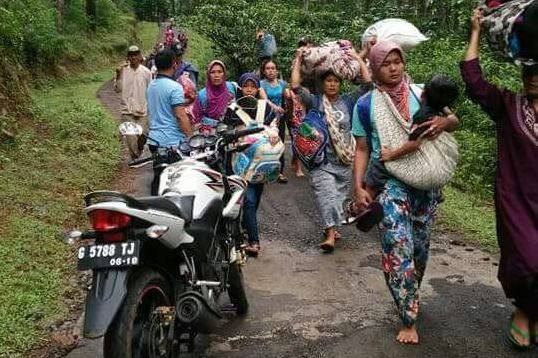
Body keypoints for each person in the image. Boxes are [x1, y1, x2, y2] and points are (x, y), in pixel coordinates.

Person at [352, 40, 459, 345]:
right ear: (373, 67)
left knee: (419, 252)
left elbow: (453, 120)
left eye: (397, 61)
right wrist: (359, 187)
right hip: (390, 184)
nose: (394, 67)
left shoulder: (420, 93)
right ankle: (408, 317)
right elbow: (362, 148)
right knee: (398, 250)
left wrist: (443, 121)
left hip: (424, 187)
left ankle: (410, 294)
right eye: (386, 62)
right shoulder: (366, 104)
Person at [460, 9, 538, 349]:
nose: (533, 77)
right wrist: (476, 31)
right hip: (516, 200)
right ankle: (524, 310)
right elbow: (474, 81)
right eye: (528, 71)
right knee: (527, 261)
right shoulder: (508, 105)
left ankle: (531, 314)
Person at [291, 44, 371, 253]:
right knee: (325, 195)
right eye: (329, 81)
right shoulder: (316, 102)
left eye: (336, 81)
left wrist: (358, 57)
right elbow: (296, 87)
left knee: (337, 200)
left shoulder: (348, 101)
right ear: (323, 83)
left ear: (340, 84)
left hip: (344, 161)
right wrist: (299, 59)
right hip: (321, 162)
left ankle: (333, 227)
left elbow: (367, 84)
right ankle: (330, 234)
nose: (332, 84)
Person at [233, 73, 279, 257]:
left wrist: (273, 131)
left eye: (253, 86)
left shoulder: (264, 108)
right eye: (246, 86)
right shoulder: (234, 109)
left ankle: (245, 226)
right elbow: (226, 128)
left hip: (261, 162)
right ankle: (253, 240)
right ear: (241, 89)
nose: (250, 89)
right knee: (250, 200)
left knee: (256, 198)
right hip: (240, 161)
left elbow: (273, 124)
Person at [146, 49, 193, 195]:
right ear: (174, 64)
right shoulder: (175, 87)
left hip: (154, 140)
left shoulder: (152, 86)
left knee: (158, 176)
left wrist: (186, 101)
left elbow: (164, 105)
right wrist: (191, 138)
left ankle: (153, 208)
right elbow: (180, 116)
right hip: (171, 142)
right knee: (173, 181)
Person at [114, 45, 152, 160]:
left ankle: (139, 151)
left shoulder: (147, 72)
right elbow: (117, 89)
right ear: (128, 57)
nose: (134, 57)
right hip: (128, 112)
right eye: (131, 55)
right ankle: (135, 159)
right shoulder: (122, 71)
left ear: (140, 56)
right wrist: (118, 74)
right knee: (131, 139)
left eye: (136, 54)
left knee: (142, 137)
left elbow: (150, 91)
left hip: (142, 111)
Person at [259, 59, 290, 183]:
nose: (271, 71)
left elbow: (287, 97)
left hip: (279, 119)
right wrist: (275, 107)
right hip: (266, 118)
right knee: (266, 144)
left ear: (277, 70)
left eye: (273, 68)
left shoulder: (282, 84)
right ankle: (264, 171)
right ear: (264, 71)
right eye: (268, 68)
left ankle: (279, 172)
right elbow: (265, 99)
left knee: (280, 143)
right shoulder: (261, 84)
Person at [192, 60, 237, 134]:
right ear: (208, 74)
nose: (216, 75)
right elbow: (198, 118)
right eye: (213, 72)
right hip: (209, 134)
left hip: (231, 130)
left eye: (220, 72)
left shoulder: (231, 87)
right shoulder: (202, 95)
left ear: (224, 74)